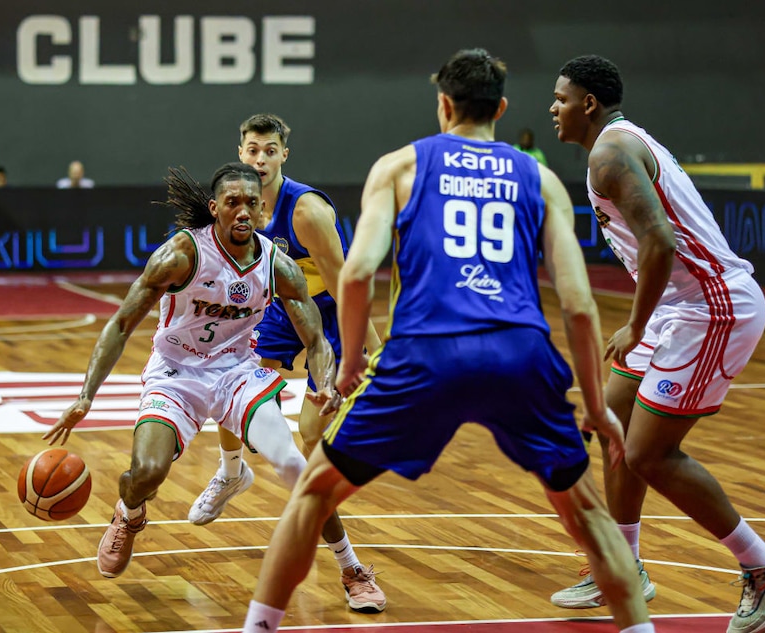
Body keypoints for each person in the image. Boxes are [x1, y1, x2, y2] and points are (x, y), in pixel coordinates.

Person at [240, 48, 655, 633]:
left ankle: (259, 625)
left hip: (424, 354)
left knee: (313, 495)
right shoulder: (537, 177)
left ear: (443, 105)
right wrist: (594, 402)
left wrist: (354, 360)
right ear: (502, 109)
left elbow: (356, 275)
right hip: (519, 353)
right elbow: (580, 306)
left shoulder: (400, 167)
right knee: (586, 510)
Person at [548, 55, 765, 633]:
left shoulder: (610, 153)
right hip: (677, 307)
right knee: (611, 425)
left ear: (588, 103)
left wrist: (635, 326)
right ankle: (624, 564)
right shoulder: (615, 145)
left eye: (561, 97)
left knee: (647, 453)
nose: (553, 107)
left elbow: (660, 242)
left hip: (714, 308)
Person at [42, 161, 337, 581]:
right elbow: (122, 324)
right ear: (215, 208)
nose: (243, 212)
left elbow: (317, 341)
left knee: (294, 464)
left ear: (262, 212)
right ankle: (128, 514)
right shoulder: (182, 254)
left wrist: (323, 383)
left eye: (251, 203)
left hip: (235, 370)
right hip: (176, 371)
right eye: (233, 202)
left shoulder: (278, 265)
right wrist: (86, 395)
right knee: (146, 473)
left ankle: (352, 568)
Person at [186, 113, 387, 613]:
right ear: (241, 150)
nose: (260, 159)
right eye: (252, 149)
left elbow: (347, 281)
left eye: (269, 150)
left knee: (310, 433)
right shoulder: (237, 208)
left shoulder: (307, 212)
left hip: (329, 312)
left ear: (283, 156)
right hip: (279, 309)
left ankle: (345, 552)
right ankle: (232, 471)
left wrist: (375, 348)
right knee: (225, 382)